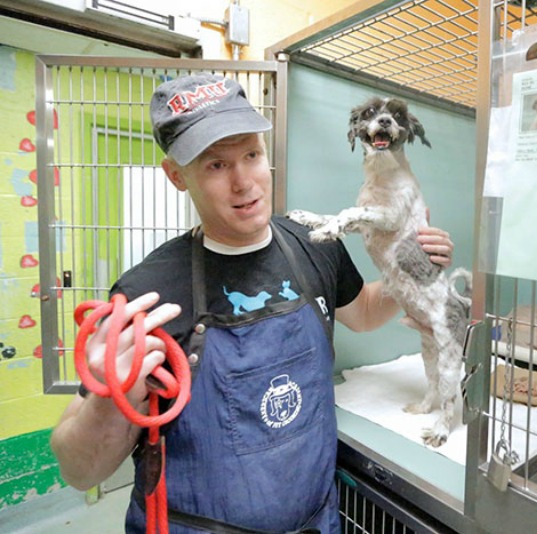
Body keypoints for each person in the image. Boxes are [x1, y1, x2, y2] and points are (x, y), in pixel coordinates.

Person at [49, 73, 455, 534]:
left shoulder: (315, 247)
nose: (244, 182)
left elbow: (363, 311)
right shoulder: (151, 292)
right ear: (177, 176)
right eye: (216, 165)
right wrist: (106, 396)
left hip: (316, 522)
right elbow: (81, 472)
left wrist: (413, 271)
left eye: (251, 155)